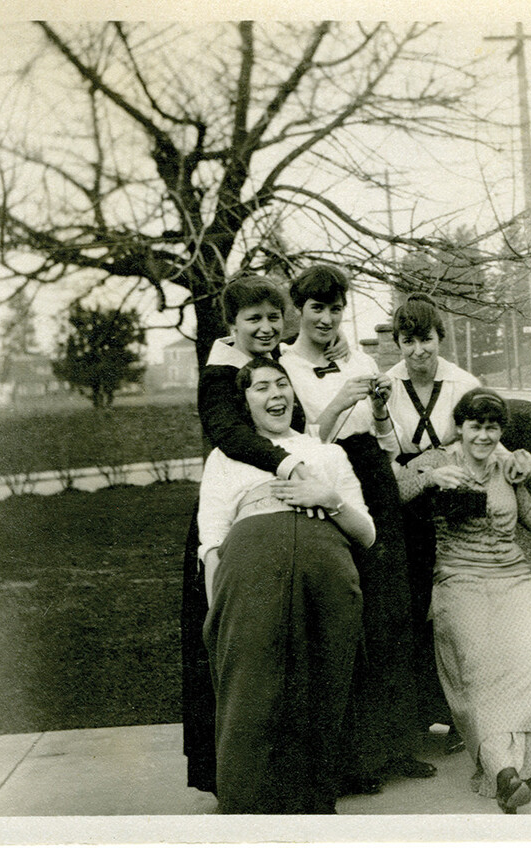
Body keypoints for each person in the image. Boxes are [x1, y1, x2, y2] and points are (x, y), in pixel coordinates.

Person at [181, 273, 346, 793]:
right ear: (231, 327)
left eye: (274, 317)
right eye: (254, 319)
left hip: (288, 513)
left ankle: (300, 768)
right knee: (236, 650)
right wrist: (289, 466)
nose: (267, 327)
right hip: (237, 510)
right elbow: (229, 436)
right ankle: (231, 773)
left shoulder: (273, 363)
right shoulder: (218, 375)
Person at [396, 388, 531, 813]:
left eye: (492, 427)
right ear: (461, 427)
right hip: (458, 581)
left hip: (514, 581)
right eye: (475, 426)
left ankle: (529, 762)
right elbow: (390, 491)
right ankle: (504, 770)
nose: (484, 436)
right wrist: (429, 479)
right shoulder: (438, 460)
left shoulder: (508, 467)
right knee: (480, 672)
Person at [279, 264, 435, 791]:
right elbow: (295, 442)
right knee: (349, 611)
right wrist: (342, 400)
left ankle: (400, 744)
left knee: (393, 607)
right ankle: (356, 757)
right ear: (297, 310)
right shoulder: (284, 367)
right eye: (316, 308)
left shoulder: (362, 359)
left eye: (335, 307)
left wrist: (377, 409)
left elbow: (387, 444)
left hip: (374, 478)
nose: (327, 318)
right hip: (327, 483)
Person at [198, 356, 375, 813]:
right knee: (250, 689)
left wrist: (329, 498)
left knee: (324, 685)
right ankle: (245, 810)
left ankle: (316, 806)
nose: (275, 394)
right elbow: (212, 541)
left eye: (282, 384)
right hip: (253, 569)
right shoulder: (228, 455)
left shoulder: (327, 453)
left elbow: (368, 533)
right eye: (261, 388)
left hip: (325, 572)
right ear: (245, 401)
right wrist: (215, 609)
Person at [384, 293, 482, 735]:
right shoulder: (386, 385)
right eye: (408, 341)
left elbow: (477, 445)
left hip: (453, 507)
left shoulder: (465, 384)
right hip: (407, 508)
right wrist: (421, 468)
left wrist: (436, 463)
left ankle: (462, 714)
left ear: (439, 337)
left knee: (456, 608)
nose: (418, 350)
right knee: (412, 607)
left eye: (426, 339)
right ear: (398, 343)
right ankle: (420, 713)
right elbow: (385, 451)